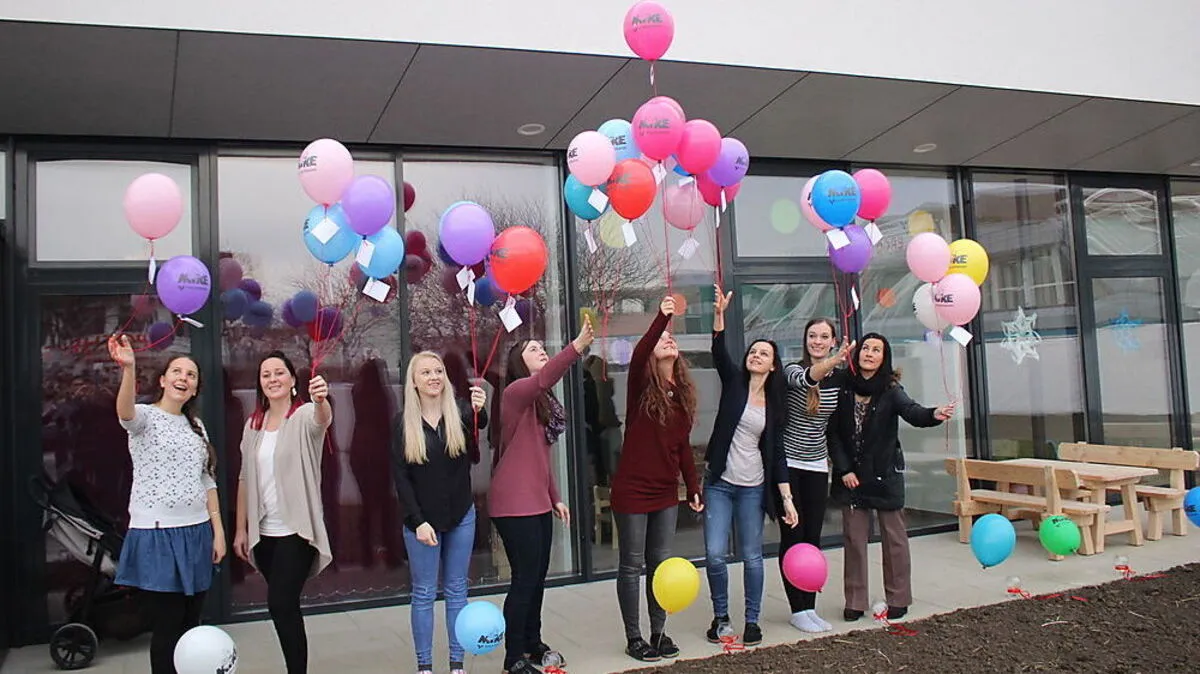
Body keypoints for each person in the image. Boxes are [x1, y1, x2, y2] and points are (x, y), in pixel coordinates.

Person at [107, 336, 226, 674]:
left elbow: (207, 480)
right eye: (177, 371)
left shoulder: (197, 427)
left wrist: (217, 532)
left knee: (192, 625)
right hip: (158, 537)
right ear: (162, 380)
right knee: (167, 630)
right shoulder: (144, 418)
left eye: (191, 375)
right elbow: (124, 413)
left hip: (196, 535)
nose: (183, 378)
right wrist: (128, 369)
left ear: (195, 389)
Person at [491, 316, 594, 674]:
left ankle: (533, 644)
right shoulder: (516, 392)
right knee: (524, 579)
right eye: (534, 349)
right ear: (521, 361)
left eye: (543, 348)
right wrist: (576, 347)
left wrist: (556, 496)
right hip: (512, 503)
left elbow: (542, 457)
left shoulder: (543, 405)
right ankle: (513, 657)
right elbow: (546, 377)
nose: (542, 352)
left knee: (536, 578)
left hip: (536, 502)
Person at [827, 333, 955, 622]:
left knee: (895, 541)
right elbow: (833, 432)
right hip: (852, 478)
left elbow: (913, 412)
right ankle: (855, 601)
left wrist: (935, 413)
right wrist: (844, 469)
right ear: (857, 354)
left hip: (884, 474)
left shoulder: (891, 389)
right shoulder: (842, 385)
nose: (869, 354)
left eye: (877, 350)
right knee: (854, 541)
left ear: (884, 358)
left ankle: (899, 597)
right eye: (866, 348)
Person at [702, 286, 798, 647]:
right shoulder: (734, 383)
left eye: (764, 354)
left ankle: (753, 620)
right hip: (720, 483)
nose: (756, 356)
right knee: (714, 554)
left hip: (753, 487)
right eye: (753, 352)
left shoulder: (775, 404)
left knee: (752, 557)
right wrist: (719, 315)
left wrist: (786, 499)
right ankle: (721, 617)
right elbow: (718, 351)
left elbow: (778, 454)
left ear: (773, 365)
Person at [610, 296, 703, 663]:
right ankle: (635, 638)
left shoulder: (681, 397)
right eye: (663, 340)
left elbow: (682, 449)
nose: (668, 341)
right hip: (632, 490)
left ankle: (659, 632)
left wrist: (692, 487)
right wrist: (662, 318)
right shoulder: (640, 388)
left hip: (665, 492)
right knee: (632, 565)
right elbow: (642, 349)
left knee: (660, 565)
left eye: (672, 339)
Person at [232, 351, 333, 673]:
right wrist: (241, 529)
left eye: (279, 373)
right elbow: (245, 477)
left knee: (280, 603)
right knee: (284, 607)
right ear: (260, 384)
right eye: (266, 375)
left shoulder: (303, 415)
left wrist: (321, 399)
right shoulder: (254, 425)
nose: (272, 379)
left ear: (292, 380)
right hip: (265, 534)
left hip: (296, 531)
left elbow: (322, 420)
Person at [391, 352, 488, 674]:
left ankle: (457, 664)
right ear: (414, 381)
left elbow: (480, 430)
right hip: (422, 523)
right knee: (423, 593)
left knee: (458, 590)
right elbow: (400, 478)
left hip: (461, 514)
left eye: (438, 371)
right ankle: (424, 666)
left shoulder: (460, 412)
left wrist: (480, 409)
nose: (433, 377)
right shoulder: (402, 422)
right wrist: (418, 522)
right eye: (425, 372)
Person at [778, 318, 854, 633]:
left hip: (816, 466)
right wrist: (833, 362)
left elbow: (835, 429)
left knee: (812, 539)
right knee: (793, 537)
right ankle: (797, 609)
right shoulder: (791, 370)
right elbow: (808, 379)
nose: (818, 341)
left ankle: (809, 607)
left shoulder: (839, 379)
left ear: (833, 340)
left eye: (824, 336)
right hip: (789, 466)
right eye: (812, 336)